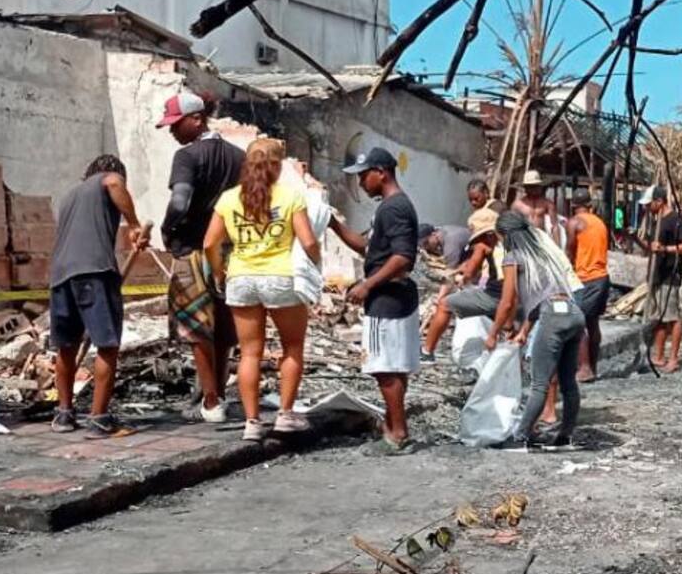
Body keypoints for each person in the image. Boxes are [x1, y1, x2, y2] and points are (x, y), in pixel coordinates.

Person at [204, 137, 320, 441]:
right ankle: (285, 415)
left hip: (241, 278)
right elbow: (308, 241)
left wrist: (220, 271)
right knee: (292, 346)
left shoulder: (229, 198)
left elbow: (209, 243)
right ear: (278, 165)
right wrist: (315, 268)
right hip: (282, 278)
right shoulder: (291, 196)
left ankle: (252, 422)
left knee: (249, 353)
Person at [158, 90, 243, 423]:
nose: (172, 132)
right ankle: (218, 392)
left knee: (196, 329)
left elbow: (180, 201)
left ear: (196, 119)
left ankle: (210, 402)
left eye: (176, 124)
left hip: (193, 250)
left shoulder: (188, 156)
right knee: (224, 329)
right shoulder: (239, 157)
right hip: (231, 252)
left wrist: (168, 230)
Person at [48, 156, 148, 437]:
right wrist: (135, 224)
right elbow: (114, 181)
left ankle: (64, 414)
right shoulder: (108, 180)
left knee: (66, 346)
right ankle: (99, 418)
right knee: (107, 345)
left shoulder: (70, 196)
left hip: (60, 275)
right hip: (94, 271)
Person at [331, 147, 420, 451]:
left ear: (381, 172)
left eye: (363, 176)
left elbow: (403, 257)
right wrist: (333, 224)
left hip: (387, 298)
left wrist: (367, 285)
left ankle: (397, 434)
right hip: (395, 297)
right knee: (394, 367)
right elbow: (367, 246)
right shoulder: (388, 207)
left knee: (384, 368)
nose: (360, 184)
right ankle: (393, 427)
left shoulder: (394, 208)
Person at [486, 212, 584, 450]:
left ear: (506, 235)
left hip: (552, 317)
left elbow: (508, 302)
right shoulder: (543, 255)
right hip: (573, 313)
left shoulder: (513, 258)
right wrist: (525, 331)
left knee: (539, 383)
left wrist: (493, 333)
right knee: (568, 382)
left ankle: (520, 438)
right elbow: (541, 300)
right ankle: (565, 437)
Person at [421, 211, 502, 361]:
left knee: (445, 305)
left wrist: (460, 280)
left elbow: (469, 273)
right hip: (517, 295)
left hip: (497, 295)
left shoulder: (482, 244)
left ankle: (427, 352)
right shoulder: (511, 242)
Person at [636, 186, 682, 373]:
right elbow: (651, 246)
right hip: (657, 275)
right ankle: (659, 355)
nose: (647, 208)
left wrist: (666, 250)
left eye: (649, 204)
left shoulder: (675, 221)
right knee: (659, 317)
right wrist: (638, 240)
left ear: (659, 202)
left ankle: (673, 358)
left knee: (672, 318)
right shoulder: (655, 220)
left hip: (670, 275)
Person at [566, 189, 609, 382]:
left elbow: (569, 251)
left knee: (578, 323)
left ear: (573, 205)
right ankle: (593, 366)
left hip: (585, 278)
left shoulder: (574, 223)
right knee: (593, 323)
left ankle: (584, 368)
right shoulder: (599, 222)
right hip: (602, 277)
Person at [511, 170, 562, 246]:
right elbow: (511, 225)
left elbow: (555, 226)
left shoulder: (547, 203)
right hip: (524, 239)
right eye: (531, 186)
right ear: (526, 187)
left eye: (535, 186)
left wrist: (558, 246)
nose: (534, 189)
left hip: (541, 239)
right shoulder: (517, 205)